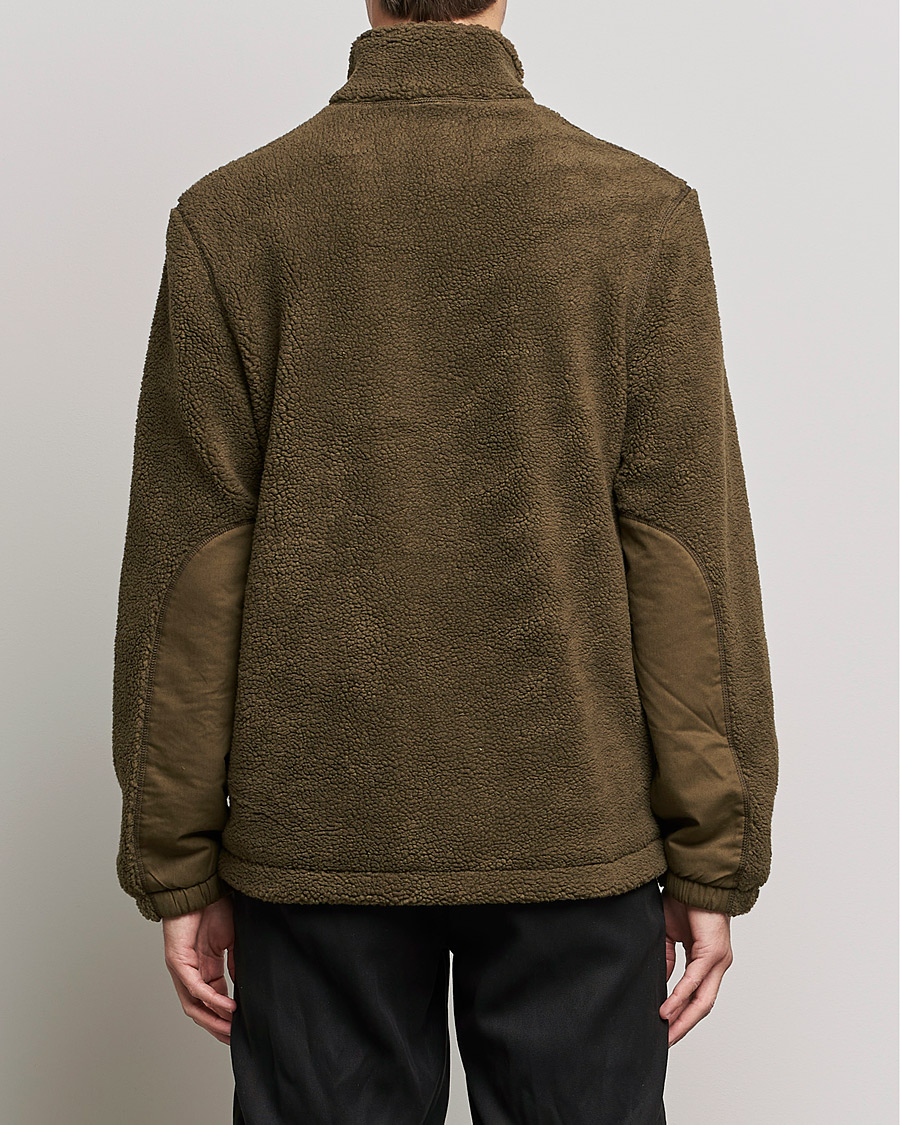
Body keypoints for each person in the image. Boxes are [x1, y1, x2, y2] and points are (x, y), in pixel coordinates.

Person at [111, 0, 780, 1121]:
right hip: (575, 834)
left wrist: (176, 860)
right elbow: (683, 568)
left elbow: (190, 580)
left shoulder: (235, 218)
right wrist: (715, 849)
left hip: (316, 840)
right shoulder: (637, 215)